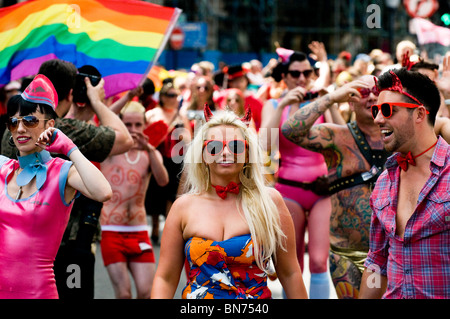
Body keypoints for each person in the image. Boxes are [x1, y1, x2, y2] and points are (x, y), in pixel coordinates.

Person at [0, 58, 133, 299]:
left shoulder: (61, 169)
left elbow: (104, 192)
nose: (20, 129)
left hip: (58, 266)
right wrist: (95, 102)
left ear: (50, 125)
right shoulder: (4, 167)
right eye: (13, 122)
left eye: (30, 121)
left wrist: (69, 147)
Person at [151, 106, 307, 299]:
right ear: (204, 155)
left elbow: (290, 273)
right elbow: (165, 278)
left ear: (247, 154)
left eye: (235, 146)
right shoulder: (183, 207)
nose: (225, 152)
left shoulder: (270, 201)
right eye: (214, 147)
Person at [281, 75, 391, 299]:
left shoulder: (398, 137)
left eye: (375, 92)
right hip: (345, 254)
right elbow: (290, 130)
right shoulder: (336, 137)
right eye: (362, 92)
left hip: (389, 251)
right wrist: (331, 97)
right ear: (350, 100)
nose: (370, 96)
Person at [359, 68, 449, 299]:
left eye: (388, 110)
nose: (378, 118)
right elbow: (376, 262)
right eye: (377, 110)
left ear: (419, 114)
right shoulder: (383, 181)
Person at [260, 50, 333, 299]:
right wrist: (282, 104)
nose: (302, 78)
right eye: (295, 73)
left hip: (322, 190)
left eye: (307, 72)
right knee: (292, 265)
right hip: (288, 191)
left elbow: (342, 137)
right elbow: (262, 146)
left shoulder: (320, 101)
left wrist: (328, 100)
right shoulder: (272, 105)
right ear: (285, 76)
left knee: (320, 262)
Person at [100, 101, 168, 299]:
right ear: (119, 123)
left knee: (147, 293)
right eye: (128, 124)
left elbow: (163, 181)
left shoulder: (150, 153)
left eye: (138, 125)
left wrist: (148, 148)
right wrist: (127, 98)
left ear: (145, 125)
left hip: (138, 230)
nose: (133, 130)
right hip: (111, 230)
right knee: (123, 294)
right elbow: (100, 121)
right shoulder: (109, 149)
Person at [144, 79, 192, 243]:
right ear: (162, 96)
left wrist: (181, 136)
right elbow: (146, 137)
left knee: (172, 194)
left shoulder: (181, 115)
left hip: (176, 159)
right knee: (155, 193)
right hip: (157, 157)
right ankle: (155, 228)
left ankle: (167, 230)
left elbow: (189, 138)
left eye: (175, 95)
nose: (173, 98)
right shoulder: (152, 114)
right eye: (170, 95)